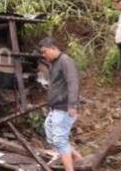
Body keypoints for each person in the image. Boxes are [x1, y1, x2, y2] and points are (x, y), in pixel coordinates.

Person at [39, 37, 82, 171]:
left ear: (53, 48)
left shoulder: (65, 61)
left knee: (59, 140)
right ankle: (79, 158)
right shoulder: (54, 63)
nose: (43, 55)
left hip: (64, 107)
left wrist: (72, 104)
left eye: (45, 52)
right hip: (55, 107)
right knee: (51, 135)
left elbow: (73, 82)